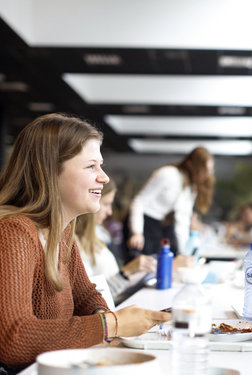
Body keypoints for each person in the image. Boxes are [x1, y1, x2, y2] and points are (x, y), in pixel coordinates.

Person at [0, 113, 169, 374]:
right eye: (91, 166)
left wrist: (109, 320)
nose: (104, 178)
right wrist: (110, 325)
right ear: (49, 170)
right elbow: (12, 338)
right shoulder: (13, 232)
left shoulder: (62, 230)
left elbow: (85, 295)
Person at [76, 179, 157, 302]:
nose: (110, 212)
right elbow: (89, 299)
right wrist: (127, 272)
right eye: (105, 204)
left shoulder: (99, 235)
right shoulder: (75, 245)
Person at [127, 147, 215, 256]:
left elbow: (182, 220)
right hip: (143, 223)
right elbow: (139, 202)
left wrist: (184, 253)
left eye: (209, 170)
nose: (207, 175)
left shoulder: (190, 188)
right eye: (204, 169)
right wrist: (137, 232)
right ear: (191, 164)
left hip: (160, 227)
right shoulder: (168, 174)